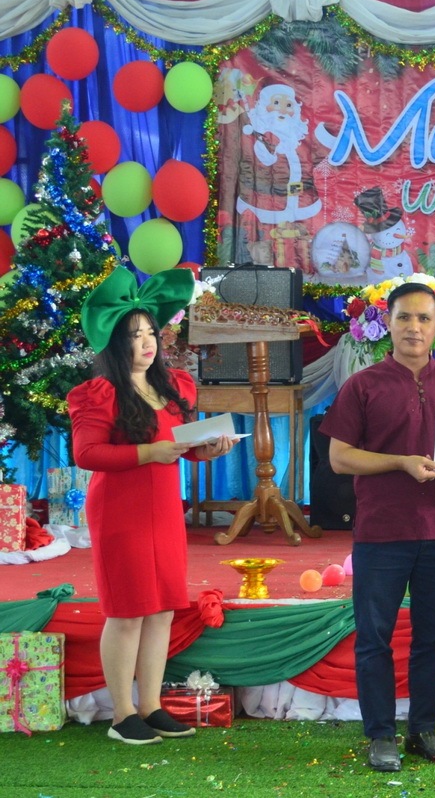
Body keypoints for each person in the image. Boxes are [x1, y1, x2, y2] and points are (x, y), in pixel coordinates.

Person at [319, 280, 435, 772]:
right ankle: (380, 735)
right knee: (375, 638)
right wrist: (400, 462)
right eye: (405, 317)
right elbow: (339, 457)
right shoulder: (363, 385)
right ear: (387, 323)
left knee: (434, 637)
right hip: (382, 531)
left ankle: (423, 730)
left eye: (424, 318)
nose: (414, 327)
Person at [68, 267, 237, 745]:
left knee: (162, 610)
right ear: (113, 343)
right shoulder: (97, 393)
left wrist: (209, 448)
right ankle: (122, 715)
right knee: (127, 611)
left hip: (164, 508)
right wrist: (148, 453)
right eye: (134, 336)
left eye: (150, 333)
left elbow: (179, 445)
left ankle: (151, 706)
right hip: (120, 511)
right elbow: (87, 454)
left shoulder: (173, 386)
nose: (146, 343)